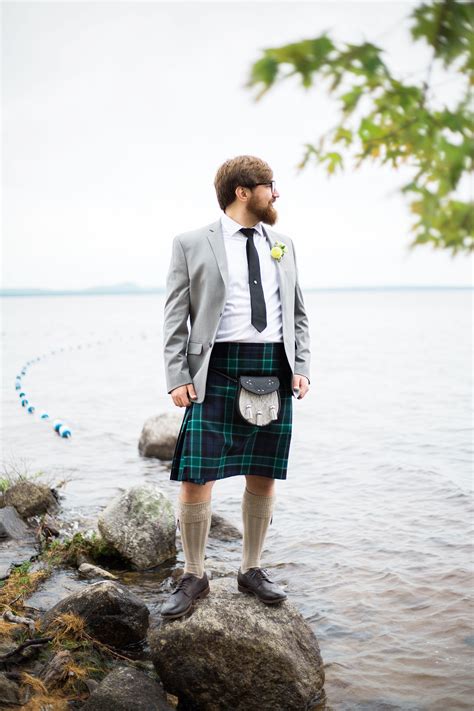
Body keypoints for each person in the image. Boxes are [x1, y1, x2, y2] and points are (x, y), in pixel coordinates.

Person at [161, 155, 311, 619]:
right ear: (242, 191)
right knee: (195, 477)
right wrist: (177, 375)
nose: (276, 193)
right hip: (217, 368)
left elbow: (298, 313)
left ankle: (251, 569)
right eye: (269, 185)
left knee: (263, 471)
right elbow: (174, 314)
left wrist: (301, 364)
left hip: (273, 366)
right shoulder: (191, 243)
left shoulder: (283, 243)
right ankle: (194, 574)